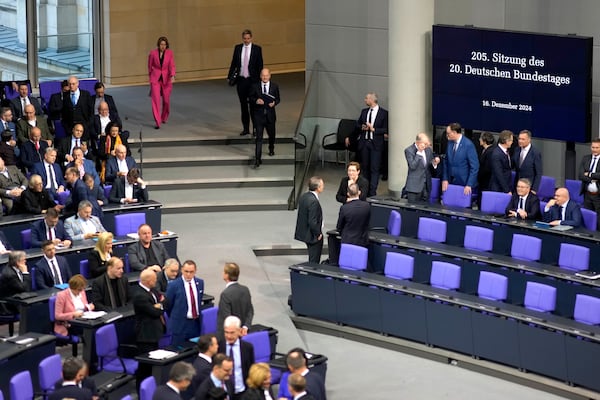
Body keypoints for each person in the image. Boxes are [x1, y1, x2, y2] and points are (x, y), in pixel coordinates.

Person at [134, 267, 167, 388]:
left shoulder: (152, 290)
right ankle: (141, 391)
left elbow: (164, 300)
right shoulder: (139, 295)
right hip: (145, 336)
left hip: (154, 333)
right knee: (144, 368)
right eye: (154, 279)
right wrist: (158, 307)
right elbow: (154, 312)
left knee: (152, 366)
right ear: (148, 281)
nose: (156, 281)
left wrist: (159, 306)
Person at [352, 92, 389, 197]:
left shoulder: (383, 113)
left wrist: (374, 129)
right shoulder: (364, 112)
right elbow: (357, 124)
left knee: (375, 168)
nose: (365, 100)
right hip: (365, 143)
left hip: (376, 144)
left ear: (372, 100)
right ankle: (365, 189)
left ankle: (372, 191)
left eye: (366, 98)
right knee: (365, 168)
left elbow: (386, 129)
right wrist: (362, 127)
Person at [228, 29, 263, 136]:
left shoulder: (257, 49)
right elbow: (233, 63)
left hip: (253, 82)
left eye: (248, 38)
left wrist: (260, 81)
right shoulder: (238, 48)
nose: (246, 40)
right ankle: (246, 129)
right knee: (243, 106)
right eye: (245, 38)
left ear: (251, 38)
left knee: (253, 106)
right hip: (241, 80)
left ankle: (255, 129)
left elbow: (260, 65)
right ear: (242, 38)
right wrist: (229, 76)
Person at [165, 260, 205, 346]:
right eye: (186, 271)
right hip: (180, 325)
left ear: (195, 271)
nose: (188, 274)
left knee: (194, 350)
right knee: (178, 351)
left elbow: (199, 300)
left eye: (191, 272)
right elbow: (168, 305)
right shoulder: (174, 285)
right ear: (182, 270)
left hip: (195, 324)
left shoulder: (200, 283)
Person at [218, 316, 255, 399]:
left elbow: (251, 369)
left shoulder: (247, 348)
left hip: (243, 392)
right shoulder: (219, 347)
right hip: (224, 394)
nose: (229, 336)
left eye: (232, 333)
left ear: (239, 331)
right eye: (226, 332)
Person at [249, 68, 280, 167]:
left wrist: (274, 103)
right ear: (260, 76)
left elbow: (278, 98)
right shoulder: (255, 86)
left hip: (270, 115)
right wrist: (256, 101)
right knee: (259, 138)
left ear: (270, 75)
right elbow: (250, 98)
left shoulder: (274, 86)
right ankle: (258, 159)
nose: (265, 77)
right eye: (263, 75)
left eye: (266, 75)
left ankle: (271, 148)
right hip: (259, 116)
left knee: (272, 135)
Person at [216, 262, 254, 339]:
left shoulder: (225, 294)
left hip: (228, 336)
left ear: (226, 275)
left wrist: (237, 330)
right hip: (243, 333)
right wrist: (245, 327)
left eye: (224, 272)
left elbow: (227, 318)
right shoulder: (245, 290)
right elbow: (250, 311)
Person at [442, 122, 479, 196]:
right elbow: (446, 162)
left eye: (448, 133)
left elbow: (475, 167)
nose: (447, 135)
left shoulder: (468, 145)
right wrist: (445, 179)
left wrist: (469, 184)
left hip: (464, 184)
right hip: (450, 183)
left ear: (454, 133)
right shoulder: (450, 143)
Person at [294, 176, 324, 264]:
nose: (323, 187)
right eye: (322, 185)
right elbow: (312, 221)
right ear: (318, 188)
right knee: (314, 260)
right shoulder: (313, 201)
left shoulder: (304, 196)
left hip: (304, 232)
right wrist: (318, 233)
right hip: (312, 235)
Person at [148, 36, 176, 129]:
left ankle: (164, 117)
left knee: (166, 101)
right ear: (158, 45)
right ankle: (157, 121)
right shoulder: (153, 53)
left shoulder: (170, 53)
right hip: (155, 79)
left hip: (166, 79)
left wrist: (172, 75)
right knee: (155, 100)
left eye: (164, 44)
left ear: (167, 45)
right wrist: (151, 77)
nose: (163, 46)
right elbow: (149, 65)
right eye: (161, 44)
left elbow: (172, 65)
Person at [404, 133, 438, 203]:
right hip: (414, 187)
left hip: (426, 186)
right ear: (418, 142)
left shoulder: (428, 150)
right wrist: (419, 152)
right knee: (412, 211)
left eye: (426, 144)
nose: (426, 146)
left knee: (425, 209)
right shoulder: (409, 150)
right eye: (424, 144)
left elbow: (429, 165)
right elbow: (412, 166)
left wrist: (434, 163)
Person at [188, 334, 219, 399]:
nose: (217, 346)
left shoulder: (198, 361)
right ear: (210, 347)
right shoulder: (205, 369)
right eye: (216, 344)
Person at [579, 138, 600, 231]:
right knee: (588, 216)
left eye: (597, 147)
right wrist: (592, 180)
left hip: (598, 195)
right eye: (593, 147)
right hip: (587, 194)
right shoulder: (585, 158)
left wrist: (590, 174)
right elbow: (580, 175)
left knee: (598, 219)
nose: (594, 149)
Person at [513, 129, 543, 194]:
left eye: (523, 139)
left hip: (528, 188)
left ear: (529, 140)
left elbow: (538, 173)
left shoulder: (535, 153)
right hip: (517, 186)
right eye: (519, 139)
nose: (520, 141)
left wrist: (534, 189)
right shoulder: (516, 150)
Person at [477, 132, 495, 202]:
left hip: (486, 182)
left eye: (480, 138)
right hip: (483, 181)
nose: (479, 140)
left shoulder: (490, 152)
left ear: (484, 141)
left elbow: (486, 169)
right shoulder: (486, 150)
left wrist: (478, 176)